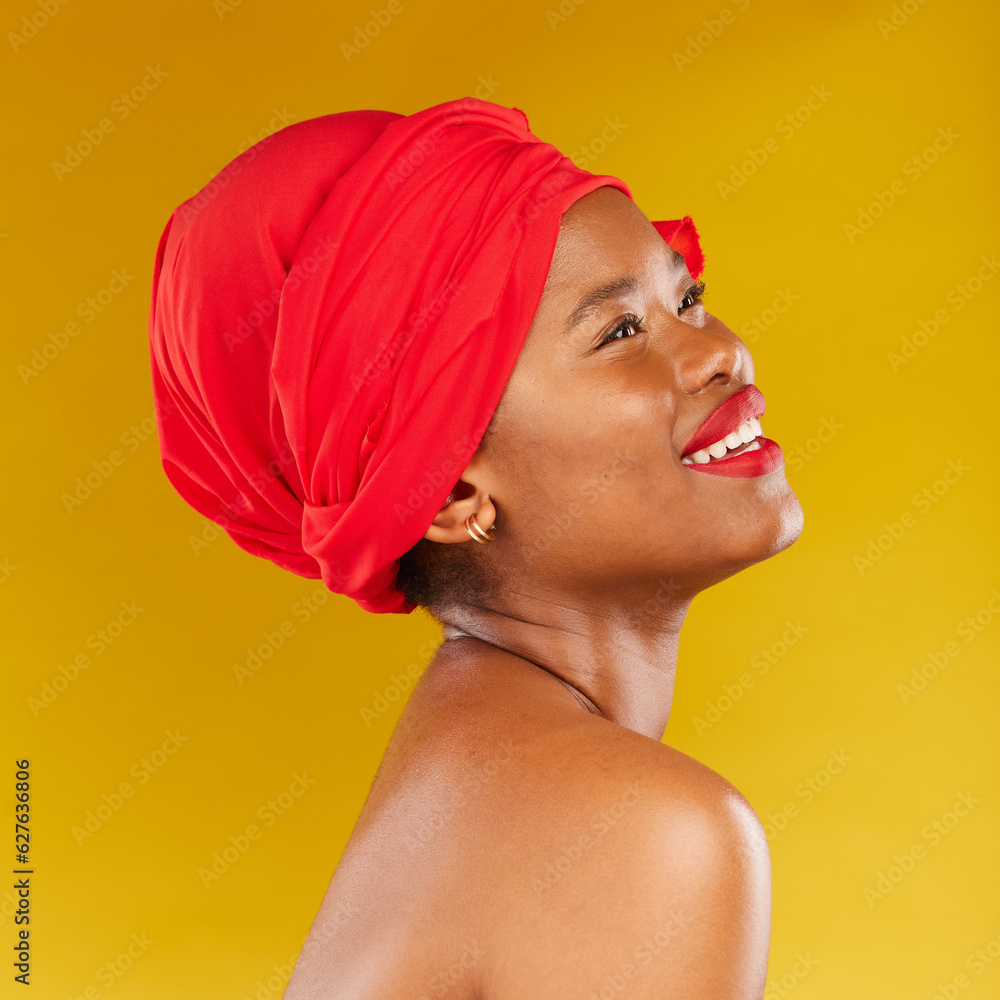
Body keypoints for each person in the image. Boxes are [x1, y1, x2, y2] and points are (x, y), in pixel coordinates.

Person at [149, 97, 803, 999]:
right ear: (450, 494)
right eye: (619, 332)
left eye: (686, 297)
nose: (718, 353)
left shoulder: (461, 787)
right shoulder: (642, 834)